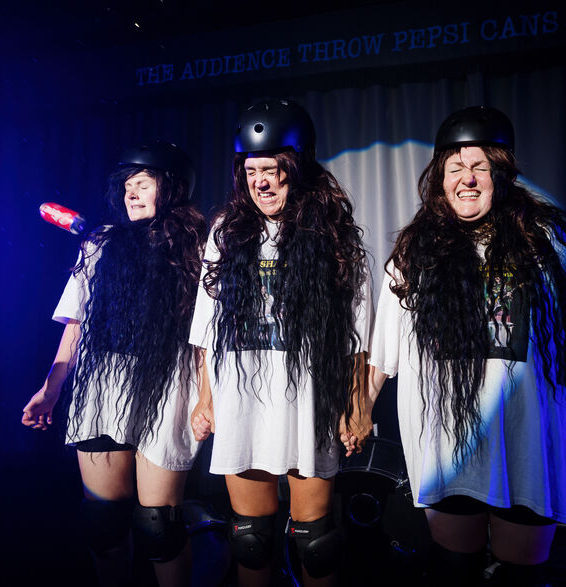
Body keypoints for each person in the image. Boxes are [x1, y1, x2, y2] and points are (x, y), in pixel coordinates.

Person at [358, 106, 566, 587]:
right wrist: (359, 410)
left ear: (500, 172)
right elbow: (383, 354)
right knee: (453, 572)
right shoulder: (416, 254)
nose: (468, 179)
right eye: (456, 168)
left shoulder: (546, 244)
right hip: (448, 449)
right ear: (440, 178)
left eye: (479, 167)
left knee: (520, 577)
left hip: (529, 445)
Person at [189, 98, 372, 587]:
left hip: (308, 402)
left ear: (298, 166)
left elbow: (358, 335)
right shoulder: (226, 232)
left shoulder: (334, 235)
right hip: (244, 400)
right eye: (251, 172)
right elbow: (207, 328)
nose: (261, 182)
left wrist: (356, 406)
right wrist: (206, 399)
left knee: (317, 544)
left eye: (272, 169)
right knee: (251, 540)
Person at [22, 140, 207, 587]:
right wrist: (51, 388)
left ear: (173, 188)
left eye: (143, 183)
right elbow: (75, 324)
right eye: (127, 185)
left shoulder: (199, 247)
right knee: (102, 523)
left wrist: (207, 398)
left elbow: (208, 333)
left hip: (168, 387)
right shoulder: (100, 243)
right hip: (102, 386)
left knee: (157, 526)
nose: (132, 193)